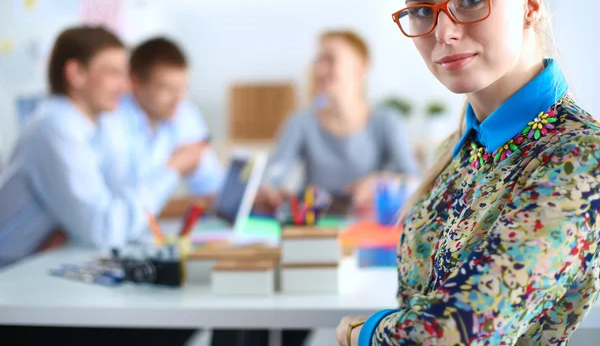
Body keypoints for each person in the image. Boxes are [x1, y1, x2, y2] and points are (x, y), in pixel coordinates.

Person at [336, 0, 600, 345]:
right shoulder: (458, 146)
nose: (444, 32)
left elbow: (456, 335)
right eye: (423, 10)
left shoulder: (581, 156)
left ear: (529, 4)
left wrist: (363, 333)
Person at [0, 26, 205, 268]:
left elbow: (114, 202)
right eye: (113, 73)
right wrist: (171, 170)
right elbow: (106, 228)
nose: (125, 86)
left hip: (31, 266)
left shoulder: (91, 127)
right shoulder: (56, 127)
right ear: (76, 73)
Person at [255, 29, 419, 214]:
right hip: (314, 229)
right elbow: (273, 177)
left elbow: (413, 180)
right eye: (318, 61)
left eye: (330, 60)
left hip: (367, 229)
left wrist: (380, 181)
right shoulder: (301, 122)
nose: (319, 70)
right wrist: (268, 191)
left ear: (361, 67)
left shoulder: (388, 121)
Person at [101, 36, 225, 211]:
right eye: (167, 89)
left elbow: (211, 184)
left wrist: (249, 198)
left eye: (182, 88)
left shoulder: (185, 114)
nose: (178, 99)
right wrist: (174, 167)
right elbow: (121, 205)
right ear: (135, 82)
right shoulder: (110, 118)